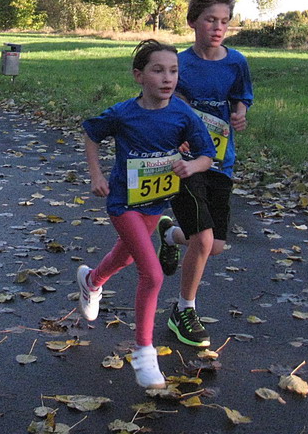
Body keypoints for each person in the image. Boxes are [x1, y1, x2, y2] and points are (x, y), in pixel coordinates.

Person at [78, 39, 216, 389]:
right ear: (139, 76)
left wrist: (191, 166)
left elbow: (207, 154)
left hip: (155, 203)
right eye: (158, 70)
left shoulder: (182, 114)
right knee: (152, 274)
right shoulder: (123, 113)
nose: (167, 78)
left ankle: (92, 280)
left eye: (173, 71)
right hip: (123, 203)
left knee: (124, 258)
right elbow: (91, 133)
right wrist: (96, 175)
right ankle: (144, 353)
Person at [155, 0, 254, 348]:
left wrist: (240, 114)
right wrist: (179, 133)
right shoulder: (179, 64)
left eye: (224, 21)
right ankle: (184, 310)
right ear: (193, 22)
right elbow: (167, 102)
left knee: (216, 246)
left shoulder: (236, 62)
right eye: (211, 20)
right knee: (204, 237)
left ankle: (170, 235)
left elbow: (241, 98)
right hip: (185, 162)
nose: (218, 27)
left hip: (220, 161)